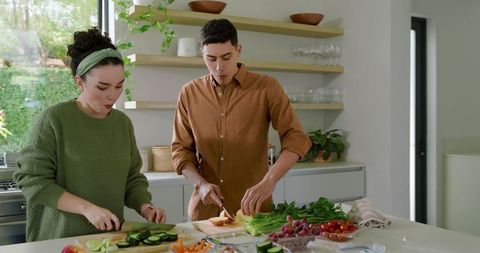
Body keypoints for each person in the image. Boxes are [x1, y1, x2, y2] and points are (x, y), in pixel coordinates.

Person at [13, 27, 166, 242]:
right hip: (59, 242)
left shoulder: (122, 124)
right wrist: (88, 209)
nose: (112, 95)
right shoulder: (54, 119)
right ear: (79, 82)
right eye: (102, 87)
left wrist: (145, 206)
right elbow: (32, 181)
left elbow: (132, 179)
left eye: (119, 86)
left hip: (109, 242)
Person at [171, 19, 311, 221]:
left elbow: (296, 138)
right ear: (202, 54)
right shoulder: (189, 93)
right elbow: (180, 150)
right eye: (211, 59)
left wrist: (270, 180)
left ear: (238, 50)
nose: (219, 67)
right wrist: (200, 184)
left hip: (255, 213)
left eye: (226, 57)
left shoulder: (267, 88)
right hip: (205, 214)